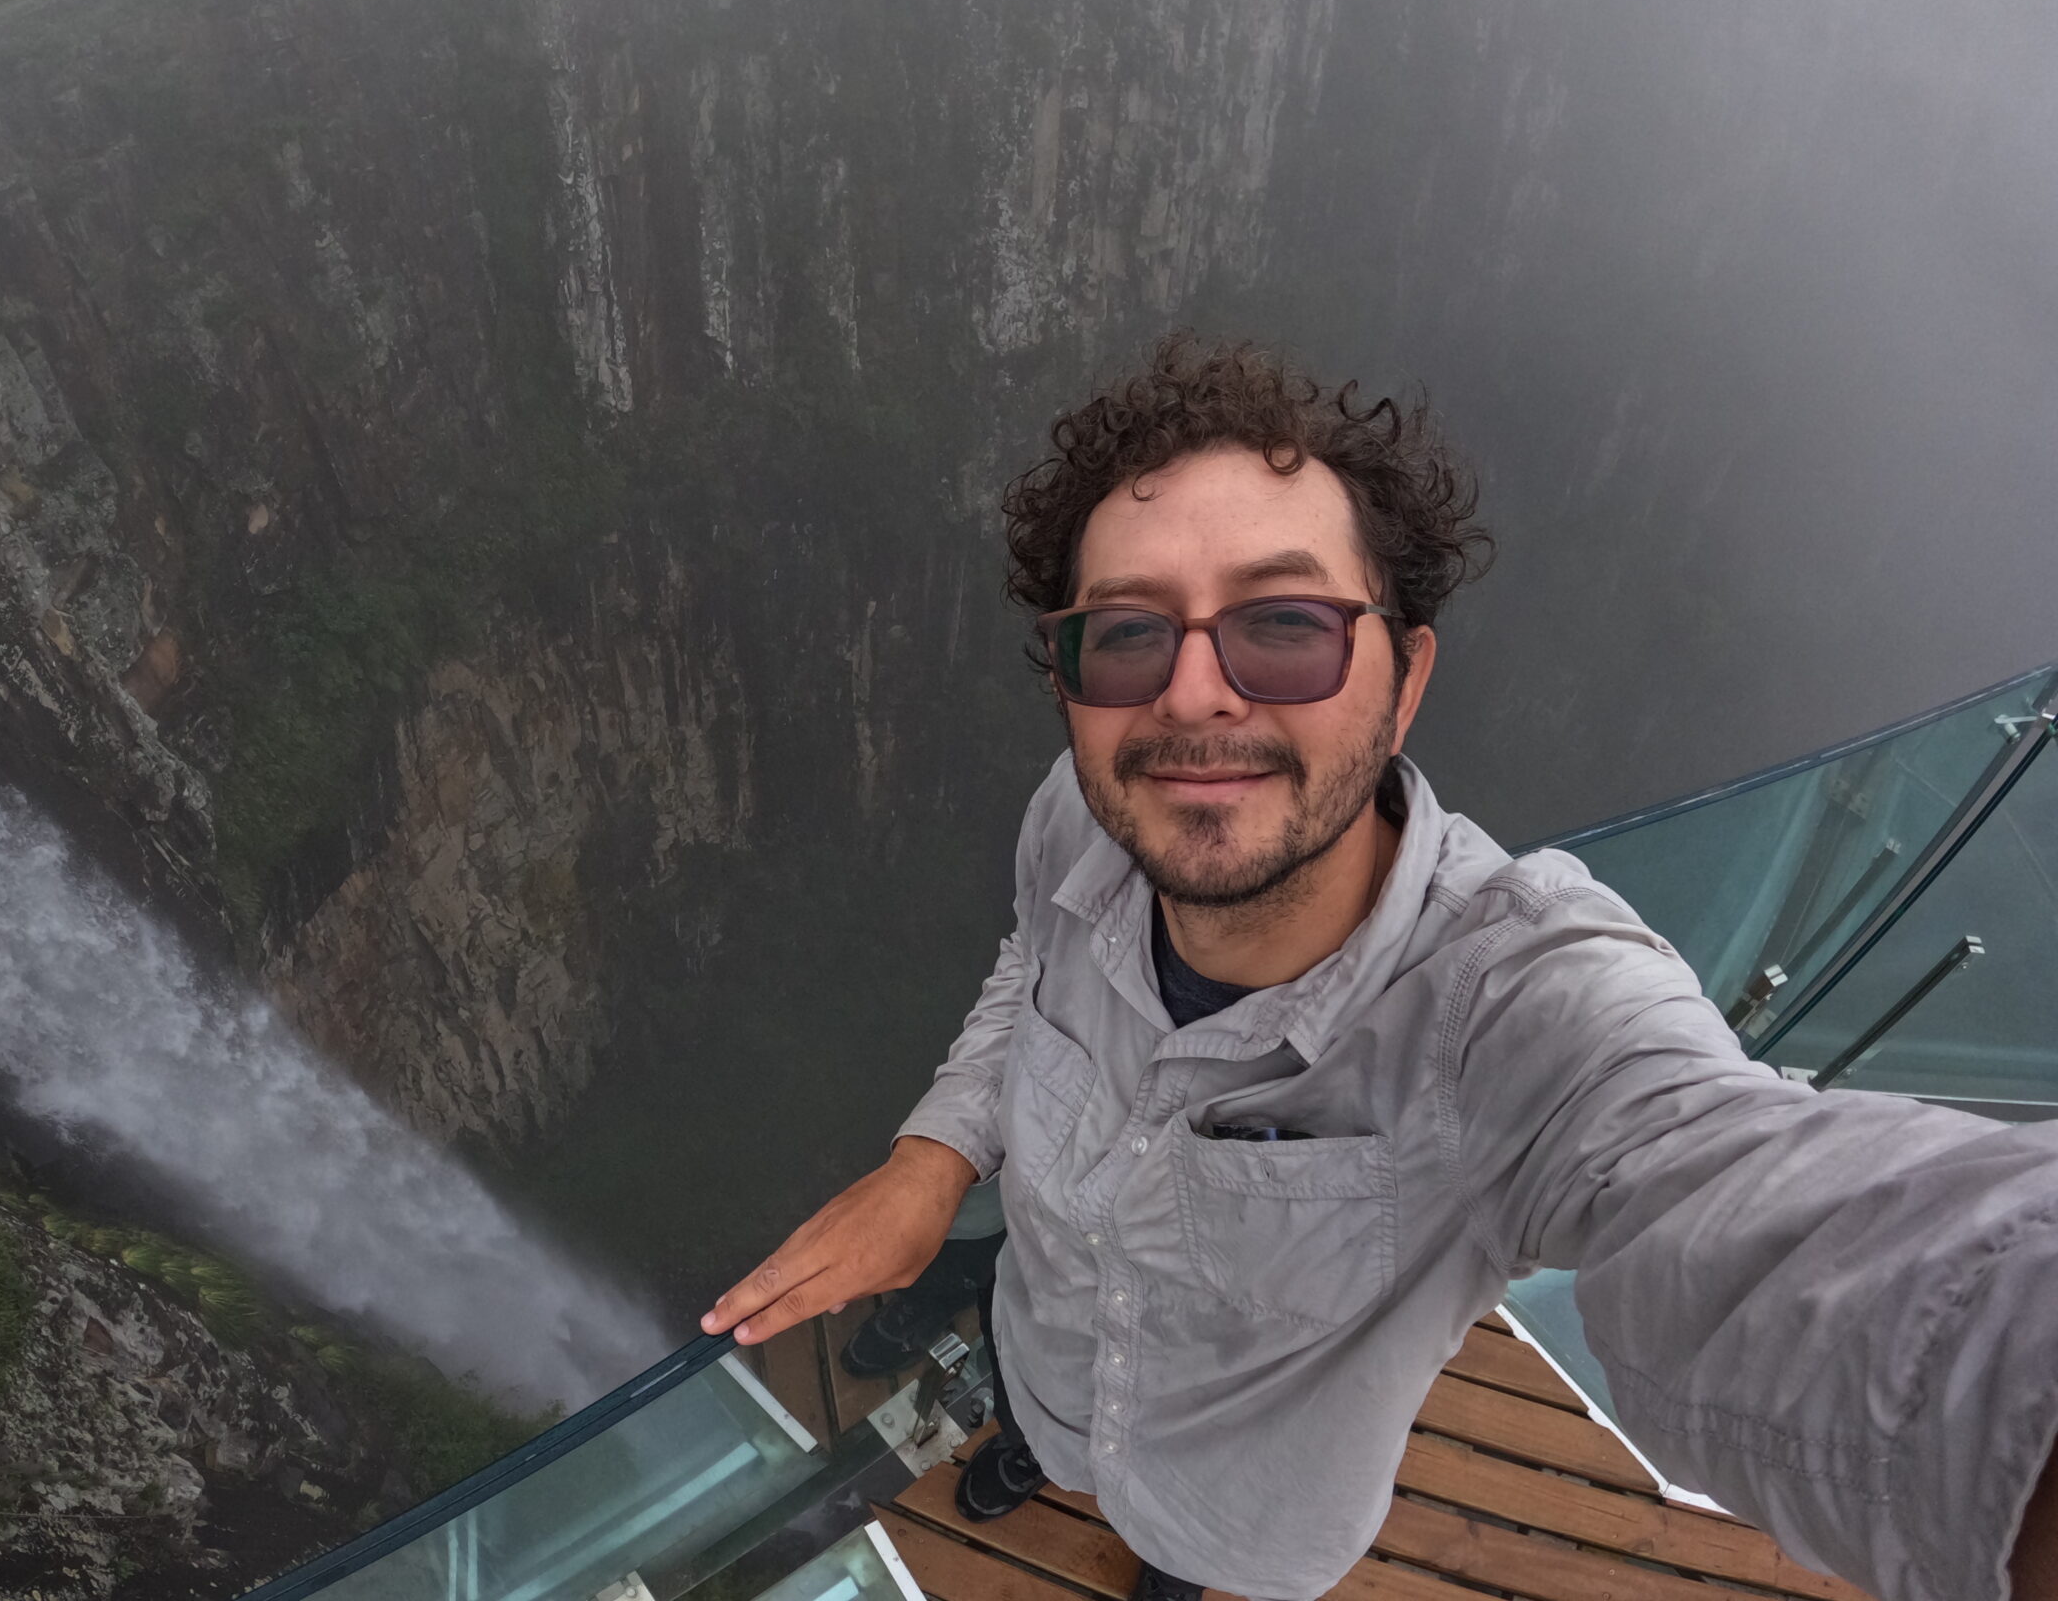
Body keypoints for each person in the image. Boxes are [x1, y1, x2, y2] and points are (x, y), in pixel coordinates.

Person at [703, 339, 2058, 1601]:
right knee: (1047, 1444)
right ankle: (1038, 1459)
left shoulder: (1527, 1011)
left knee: (1180, 1570)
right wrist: (932, 1159)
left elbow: (1778, 1229)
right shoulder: (1079, 813)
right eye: (1125, 634)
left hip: (1244, 1512)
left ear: (1404, 680)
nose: (1189, 695)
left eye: (1281, 626)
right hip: (1048, 1370)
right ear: (1071, 683)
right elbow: (1030, 966)